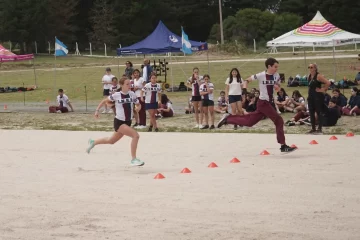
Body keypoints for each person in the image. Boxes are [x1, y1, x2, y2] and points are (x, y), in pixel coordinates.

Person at [217, 58, 296, 153]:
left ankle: (228, 119)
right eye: (275, 67)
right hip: (263, 102)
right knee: (279, 120)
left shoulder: (277, 75)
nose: (276, 69)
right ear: (269, 66)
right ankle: (283, 146)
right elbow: (246, 80)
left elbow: (278, 88)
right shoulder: (261, 75)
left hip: (269, 102)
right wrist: (245, 90)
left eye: (277, 67)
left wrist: (277, 87)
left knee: (250, 122)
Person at [86, 76, 144, 166]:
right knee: (135, 136)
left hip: (128, 122)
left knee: (111, 141)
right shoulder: (117, 95)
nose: (129, 85)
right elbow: (104, 101)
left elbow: (138, 104)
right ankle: (134, 159)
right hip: (119, 122)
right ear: (121, 85)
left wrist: (138, 108)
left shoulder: (132, 94)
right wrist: (97, 110)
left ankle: (93, 142)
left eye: (130, 84)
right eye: (127, 84)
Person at [306, 63, 330, 134]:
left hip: (317, 96)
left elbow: (328, 83)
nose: (310, 69)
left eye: (312, 67)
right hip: (311, 96)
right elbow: (309, 86)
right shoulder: (309, 76)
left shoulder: (318, 76)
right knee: (311, 112)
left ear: (315, 68)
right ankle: (313, 128)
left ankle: (319, 128)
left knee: (319, 112)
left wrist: (322, 89)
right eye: (309, 67)